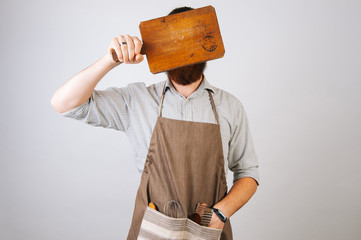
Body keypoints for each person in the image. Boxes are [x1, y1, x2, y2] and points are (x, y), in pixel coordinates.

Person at [51, 6, 259, 240]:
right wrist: (110, 59)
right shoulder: (137, 100)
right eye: (174, 42)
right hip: (151, 230)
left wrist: (221, 213)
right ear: (161, 50)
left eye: (189, 41)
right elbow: (64, 103)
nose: (183, 50)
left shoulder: (230, 106)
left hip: (208, 230)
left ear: (205, 48)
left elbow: (248, 172)